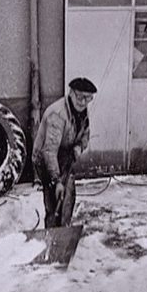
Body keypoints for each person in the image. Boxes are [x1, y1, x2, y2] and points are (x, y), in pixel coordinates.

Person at [32, 77, 97, 228]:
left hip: (64, 154)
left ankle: (64, 229)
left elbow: (85, 135)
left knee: (68, 196)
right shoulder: (58, 114)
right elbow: (49, 152)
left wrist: (78, 147)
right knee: (54, 200)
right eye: (79, 97)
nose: (83, 102)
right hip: (44, 158)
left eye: (88, 98)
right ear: (71, 93)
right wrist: (56, 181)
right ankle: (52, 233)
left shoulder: (82, 113)